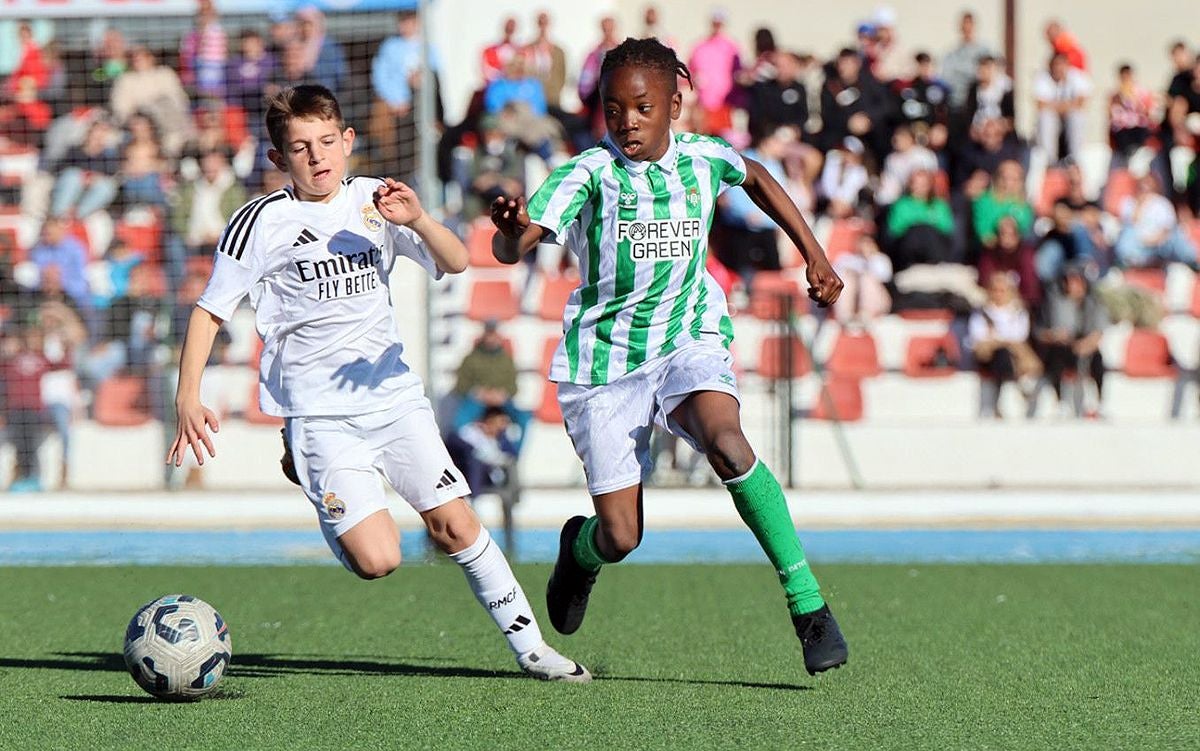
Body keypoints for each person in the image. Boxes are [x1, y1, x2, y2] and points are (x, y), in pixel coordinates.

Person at [166, 84, 589, 682]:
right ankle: (309, 467)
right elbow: (209, 311)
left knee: (455, 523)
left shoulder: (376, 200)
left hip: (393, 399)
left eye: (325, 142)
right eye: (300, 147)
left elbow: (457, 260)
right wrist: (188, 395)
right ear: (278, 159)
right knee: (379, 560)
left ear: (348, 142)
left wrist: (418, 218)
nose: (317, 157)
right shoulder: (260, 223)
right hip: (318, 414)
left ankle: (532, 650)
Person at [489, 38, 848, 676]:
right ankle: (582, 552)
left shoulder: (705, 160)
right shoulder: (586, 172)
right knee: (622, 536)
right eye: (613, 107)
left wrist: (813, 254)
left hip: (687, 336)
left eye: (642, 107)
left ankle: (808, 605)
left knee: (730, 445)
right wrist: (510, 228)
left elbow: (758, 177)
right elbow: (516, 248)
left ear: (674, 105)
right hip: (605, 362)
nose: (626, 120)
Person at [1034, 263, 1107, 417]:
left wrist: (1086, 344)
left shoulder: (1094, 303)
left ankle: (1099, 403)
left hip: (1086, 346)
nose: (1074, 286)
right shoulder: (1054, 303)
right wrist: (1055, 336)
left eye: (1077, 281)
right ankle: (1061, 402)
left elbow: (1098, 332)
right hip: (1062, 346)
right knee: (1056, 358)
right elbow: (1040, 331)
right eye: (1070, 282)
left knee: (1098, 361)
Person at [968, 271, 1042, 418]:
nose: (998, 294)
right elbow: (977, 335)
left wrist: (997, 337)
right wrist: (1002, 340)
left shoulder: (1018, 311)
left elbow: (1020, 334)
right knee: (1001, 355)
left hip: (1014, 353)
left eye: (1002, 290)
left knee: (1011, 354)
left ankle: (1017, 391)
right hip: (990, 355)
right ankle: (1007, 394)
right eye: (995, 290)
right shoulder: (981, 312)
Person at [1033, 53, 1090, 164]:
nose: (1059, 68)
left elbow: (1081, 103)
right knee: (1046, 117)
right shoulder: (1043, 78)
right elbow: (1040, 105)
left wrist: (1058, 106)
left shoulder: (1077, 77)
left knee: (1076, 117)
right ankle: (1049, 161)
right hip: (1053, 119)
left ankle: (1074, 159)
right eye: (1056, 65)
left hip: (1069, 119)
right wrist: (1066, 106)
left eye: (1062, 64)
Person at [942, 11, 992, 111]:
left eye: (970, 24)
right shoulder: (953, 53)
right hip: (957, 103)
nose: (967, 28)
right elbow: (947, 78)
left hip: (980, 105)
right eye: (965, 24)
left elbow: (988, 76)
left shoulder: (984, 51)